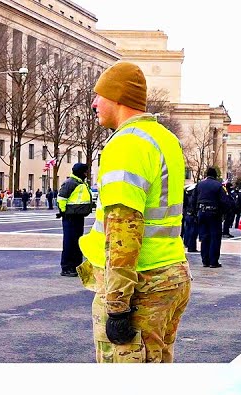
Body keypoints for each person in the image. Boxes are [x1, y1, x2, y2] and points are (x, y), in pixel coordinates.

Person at [79, 61, 192, 364]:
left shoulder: (126, 144)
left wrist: (117, 305)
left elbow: (122, 231)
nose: (94, 104)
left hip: (141, 284)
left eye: (98, 96)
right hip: (170, 274)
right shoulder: (164, 139)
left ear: (117, 97)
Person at [57, 162, 96, 277]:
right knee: (70, 242)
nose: (86, 174)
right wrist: (64, 212)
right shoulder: (71, 183)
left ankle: (75, 265)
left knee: (76, 242)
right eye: (84, 172)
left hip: (77, 216)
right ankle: (67, 267)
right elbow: (61, 199)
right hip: (71, 217)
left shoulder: (79, 182)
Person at [194, 168, 226, 269]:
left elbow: (193, 199)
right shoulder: (218, 185)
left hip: (201, 212)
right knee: (215, 237)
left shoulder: (199, 184)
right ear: (215, 175)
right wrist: (223, 213)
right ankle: (213, 261)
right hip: (214, 213)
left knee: (204, 237)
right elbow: (224, 201)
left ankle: (205, 261)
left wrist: (195, 213)